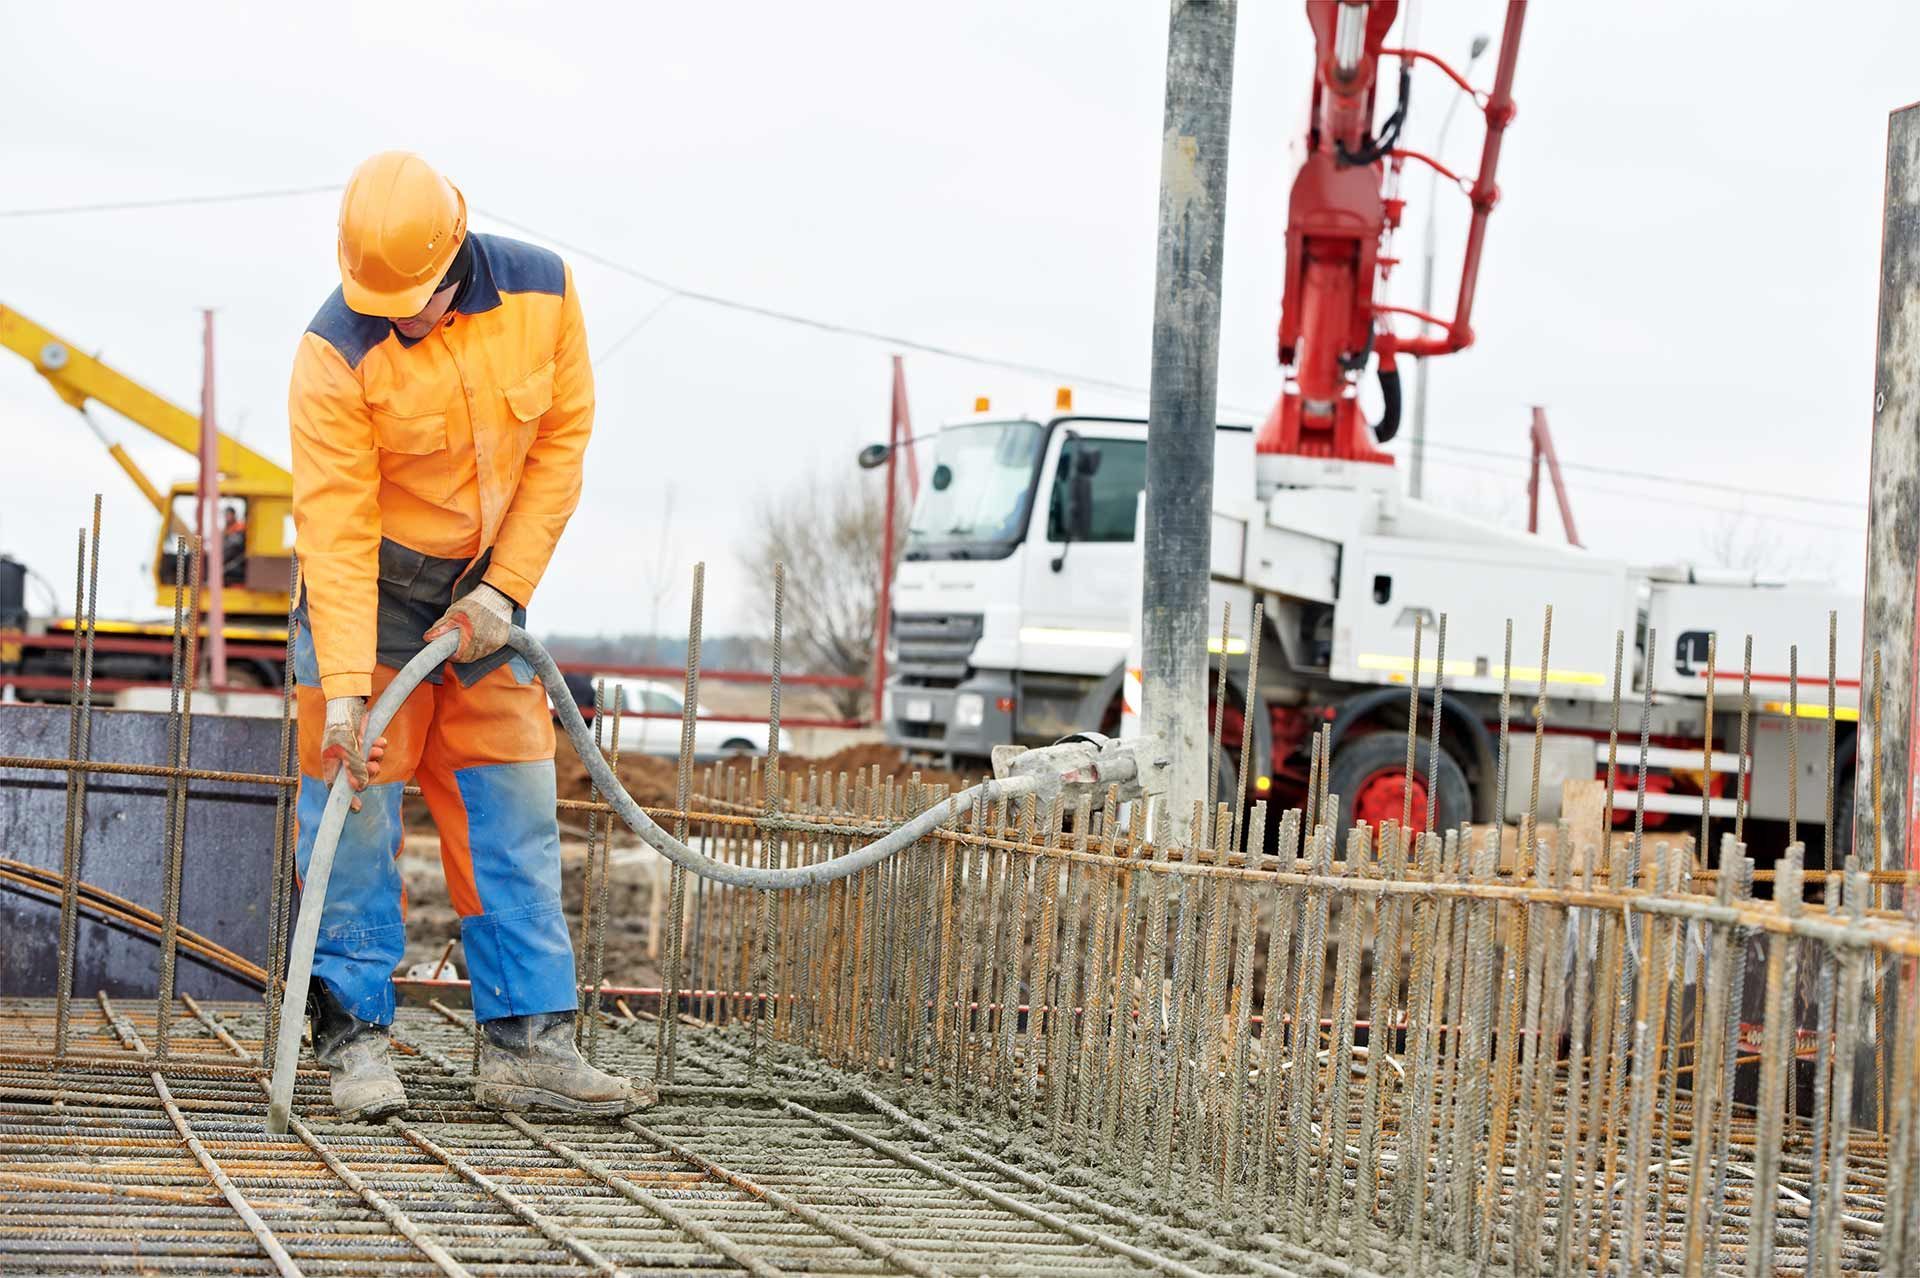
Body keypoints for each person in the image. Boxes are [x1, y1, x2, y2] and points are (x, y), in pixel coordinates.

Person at [288, 151, 643, 1119]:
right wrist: (352, 685)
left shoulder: (543, 293)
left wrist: (505, 589)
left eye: (417, 298)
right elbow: (335, 521)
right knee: (353, 816)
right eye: (384, 301)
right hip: (366, 592)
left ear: (458, 253)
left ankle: (527, 1045)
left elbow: (562, 444)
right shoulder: (334, 351)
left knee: (510, 810)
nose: (402, 316)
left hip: (486, 598)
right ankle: (354, 1045)